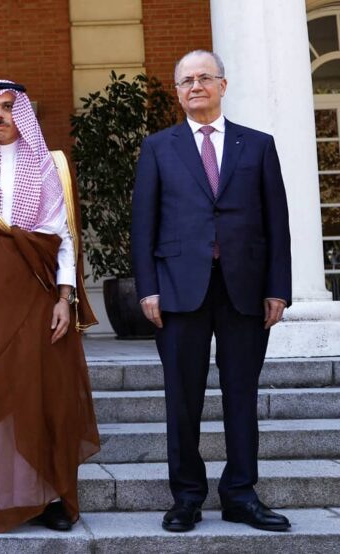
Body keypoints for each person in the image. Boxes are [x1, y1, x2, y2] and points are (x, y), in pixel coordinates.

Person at [131, 50, 292, 533]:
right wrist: (147, 290)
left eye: (205, 78)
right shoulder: (158, 147)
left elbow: (276, 224)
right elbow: (144, 226)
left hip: (245, 288)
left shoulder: (257, 145)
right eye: (186, 81)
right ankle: (186, 497)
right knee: (182, 399)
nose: (195, 86)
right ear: (177, 91)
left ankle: (241, 493)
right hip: (179, 290)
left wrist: (278, 288)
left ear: (223, 85)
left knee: (241, 395)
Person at [0, 80, 100, 534]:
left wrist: (66, 298)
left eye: (8, 107)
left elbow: (64, 239)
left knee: (43, 397)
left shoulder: (51, 166)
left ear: (22, 112)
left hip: (39, 300)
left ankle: (50, 498)